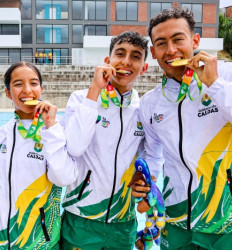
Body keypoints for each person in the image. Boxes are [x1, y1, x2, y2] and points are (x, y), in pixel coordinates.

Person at [131, 7, 232, 250]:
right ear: (153, 52)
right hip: (175, 217)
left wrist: (215, 85)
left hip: (224, 217)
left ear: (195, 40)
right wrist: (149, 184)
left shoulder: (229, 75)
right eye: (161, 43)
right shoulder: (150, 102)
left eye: (178, 39)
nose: (171, 50)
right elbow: (153, 155)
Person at [61, 31, 154, 250]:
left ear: (144, 67)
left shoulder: (143, 110)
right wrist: (95, 91)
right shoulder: (82, 99)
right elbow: (74, 148)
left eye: (135, 56)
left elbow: (151, 159)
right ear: (107, 61)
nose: (126, 61)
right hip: (81, 218)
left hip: (123, 222)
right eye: (120, 54)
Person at [0, 62, 78, 249]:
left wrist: (51, 128)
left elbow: (64, 177)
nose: (27, 90)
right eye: (18, 84)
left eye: (33, 83)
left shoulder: (58, 129)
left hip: (39, 239)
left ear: (41, 89)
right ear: (8, 93)